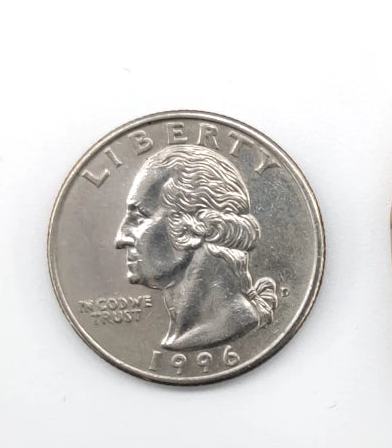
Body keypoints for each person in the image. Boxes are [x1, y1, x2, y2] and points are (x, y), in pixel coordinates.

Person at [115, 144, 278, 350]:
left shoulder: (222, 329)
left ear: (192, 228)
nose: (120, 238)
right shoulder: (185, 335)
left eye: (139, 218)